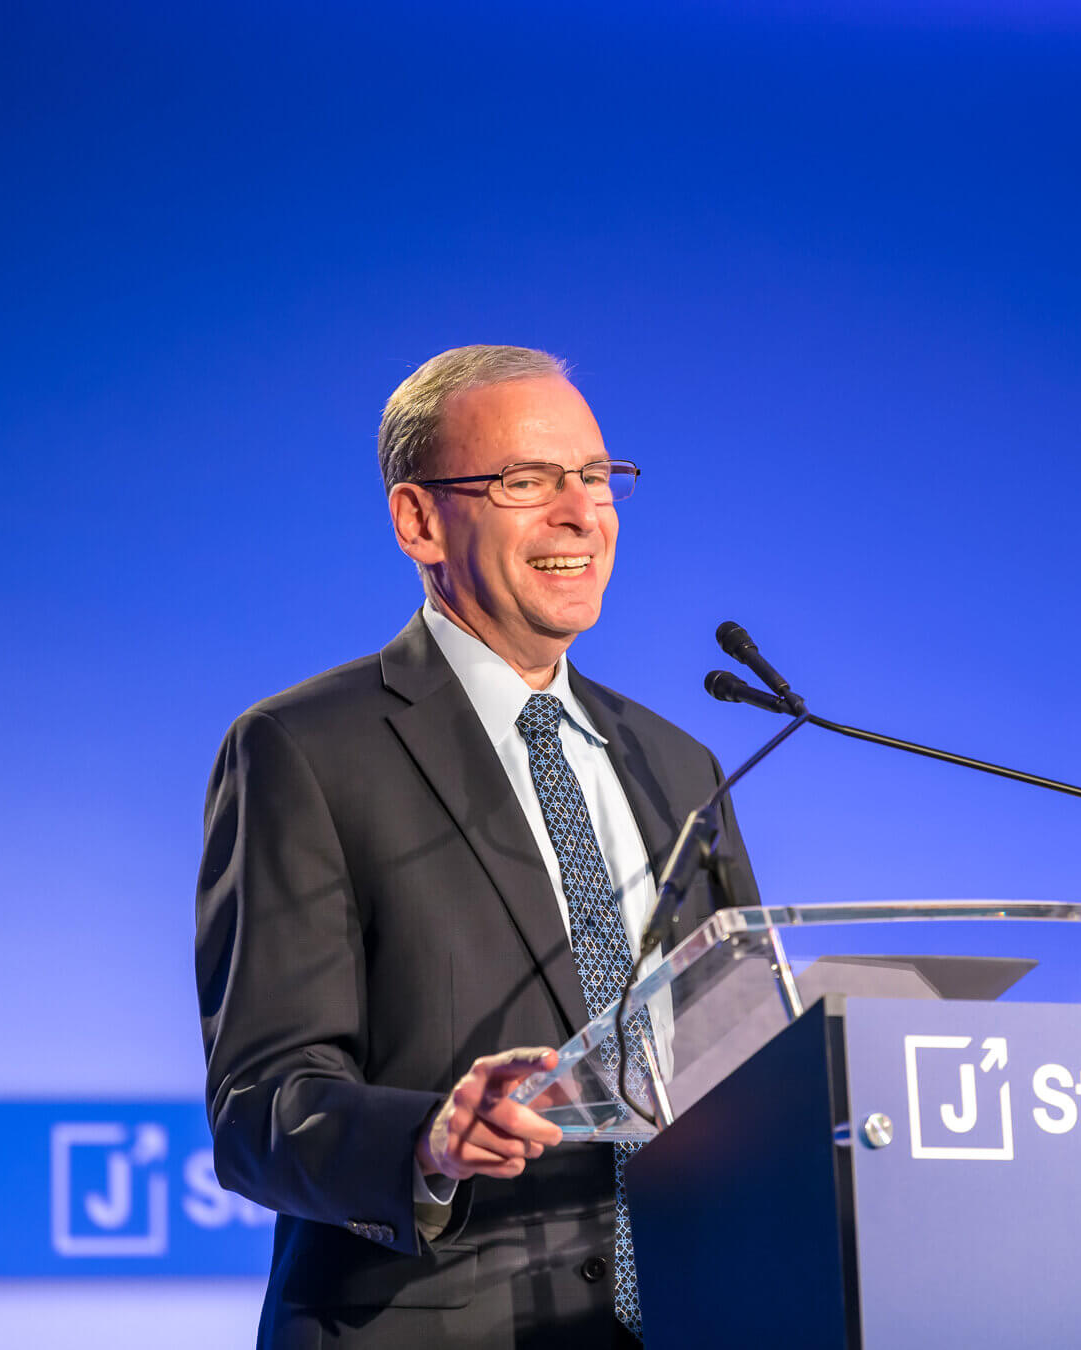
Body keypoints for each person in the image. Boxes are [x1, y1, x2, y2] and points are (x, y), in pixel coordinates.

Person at [195, 344, 759, 1349]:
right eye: (524, 481)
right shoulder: (305, 750)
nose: (579, 515)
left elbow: (742, 1059)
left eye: (593, 478)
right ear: (417, 520)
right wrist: (428, 1137)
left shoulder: (680, 766)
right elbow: (258, 1111)